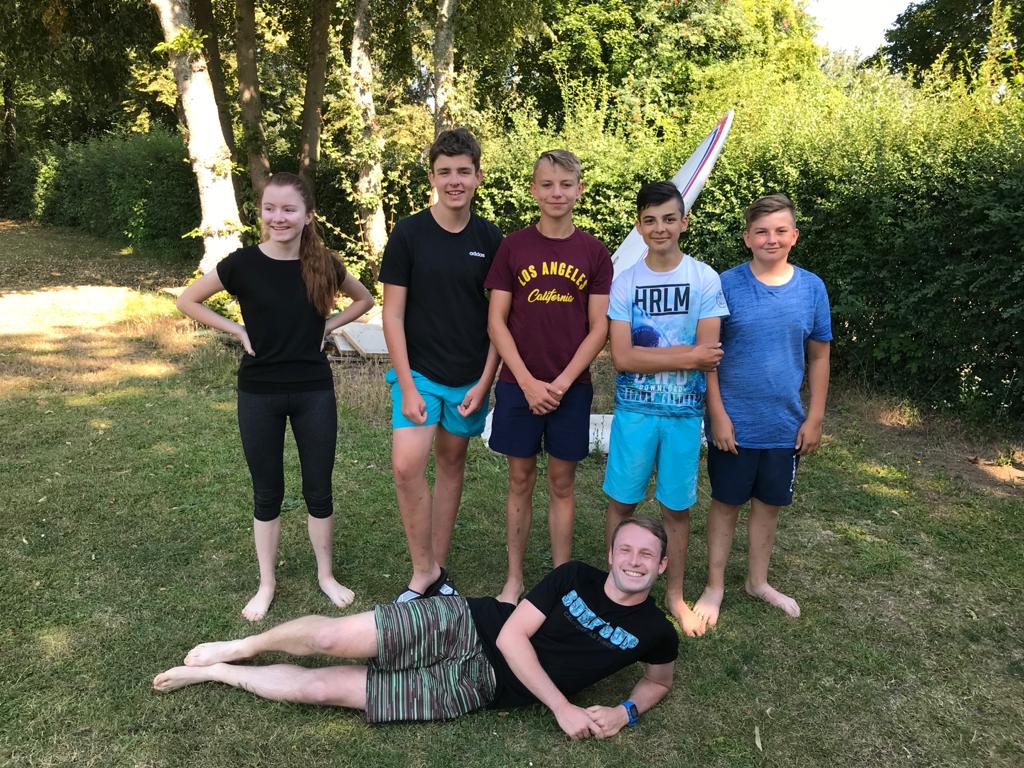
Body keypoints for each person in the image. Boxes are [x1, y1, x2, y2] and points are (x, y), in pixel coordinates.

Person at [152, 517, 678, 739]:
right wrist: (561, 707)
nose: (633, 561)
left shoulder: (655, 631)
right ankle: (244, 645)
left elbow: (657, 682)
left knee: (323, 688)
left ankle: (221, 674)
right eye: (625, 550)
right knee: (329, 637)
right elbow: (511, 636)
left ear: (661, 565)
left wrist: (624, 712)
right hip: (465, 624)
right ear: (611, 553)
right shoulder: (575, 577)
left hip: (476, 688)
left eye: (645, 555)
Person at [176, 172, 374, 621]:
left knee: (318, 488)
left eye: (288, 209)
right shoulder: (242, 264)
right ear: (261, 212)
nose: (278, 217)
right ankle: (266, 583)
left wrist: (328, 325)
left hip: (313, 391)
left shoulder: (324, 264)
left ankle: (326, 576)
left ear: (307, 215)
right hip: (258, 393)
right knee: (267, 492)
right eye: (270, 208)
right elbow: (188, 301)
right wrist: (237, 329)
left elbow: (363, 300)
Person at [693, 193, 831, 626]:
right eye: (761, 231)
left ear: (795, 236)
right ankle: (715, 585)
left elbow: (819, 356)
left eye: (780, 231)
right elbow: (709, 355)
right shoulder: (725, 285)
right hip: (733, 424)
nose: (771, 239)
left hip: (784, 424)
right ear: (747, 238)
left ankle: (757, 581)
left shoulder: (812, 288)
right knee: (726, 503)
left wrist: (814, 416)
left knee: (768, 505)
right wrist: (717, 414)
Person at [379, 128, 502, 602]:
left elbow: (499, 320)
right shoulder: (409, 234)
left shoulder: (490, 238)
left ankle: (437, 570)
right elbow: (392, 314)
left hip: (469, 377)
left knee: (451, 465)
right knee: (406, 467)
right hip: (420, 375)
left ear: (478, 176)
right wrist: (408, 386)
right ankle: (422, 569)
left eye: (463, 172)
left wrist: (486, 381)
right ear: (432, 177)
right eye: (445, 172)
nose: (455, 181)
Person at [485, 149, 612, 604]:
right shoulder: (513, 247)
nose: (556, 193)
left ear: (579, 189)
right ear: (533, 190)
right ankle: (514, 578)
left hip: (570, 389)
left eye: (565, 184)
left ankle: (561, 581)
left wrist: (559, 384)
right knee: (519, 479)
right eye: (547, 184)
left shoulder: (594, 251)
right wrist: (526, 382)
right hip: (517, 385)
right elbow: (496, 322)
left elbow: (599, 328)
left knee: (562, 482)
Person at [602, 181, 729, 638]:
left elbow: (709, 354)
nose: (660, 228)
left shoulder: (704, 278)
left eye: (669, 219)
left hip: (683, 416)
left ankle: (674, 595)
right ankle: (612, 589)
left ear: (684, 222)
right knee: (622, 503)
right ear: (639, 226)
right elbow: (622, 358)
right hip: (634, 413)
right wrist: (688, 355)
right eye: (651, 220)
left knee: (676, 508)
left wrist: (682, 357)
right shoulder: (625, 282)